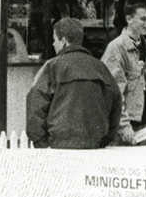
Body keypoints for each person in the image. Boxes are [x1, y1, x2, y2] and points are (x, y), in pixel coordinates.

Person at [25, 18, 121, 151]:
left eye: (55, 40)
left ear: (63, 41)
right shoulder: (100, 68)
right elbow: (116, 104)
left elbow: (35, 107)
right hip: (94, 146)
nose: (53, 44)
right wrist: (105, 139)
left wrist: (42, 144)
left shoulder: (52, 66)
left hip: (58, 146)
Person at [102, 0, 146, 145]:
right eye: (143, 19)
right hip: (126, 129)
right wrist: (123, 126)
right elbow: (114, 91)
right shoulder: (116, 49)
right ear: (129, 19)